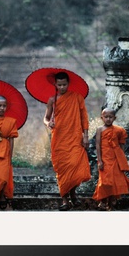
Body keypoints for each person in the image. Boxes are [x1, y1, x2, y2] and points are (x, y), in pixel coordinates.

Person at [43, 71, 91, 211]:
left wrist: (86, 136)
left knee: (77, 167)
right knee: (62, 169)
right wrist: (48, 123)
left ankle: (73, 193)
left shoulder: (77, 98)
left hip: (75, 137)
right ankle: (65, 200)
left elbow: (84, 117)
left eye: (64, 84)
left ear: (68, 84)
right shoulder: (53, 100)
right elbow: (46, 117)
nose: (62, 87)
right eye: (59, 85)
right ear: (55, 84)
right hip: (59, 138)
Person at [92, 108, 129, 211]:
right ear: (102, 118)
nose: (108, 119)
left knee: (114, 181)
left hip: (115, 158)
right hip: (104, 159)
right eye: (106, 117)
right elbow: (98, 145)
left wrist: (121, 159)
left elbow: (122, 145)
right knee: (105, 181)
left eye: (110, 117)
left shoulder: (119, 130)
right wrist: (100, 160)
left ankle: (110, 204)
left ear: (114, 118)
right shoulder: (99, 130)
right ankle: (102, 201)